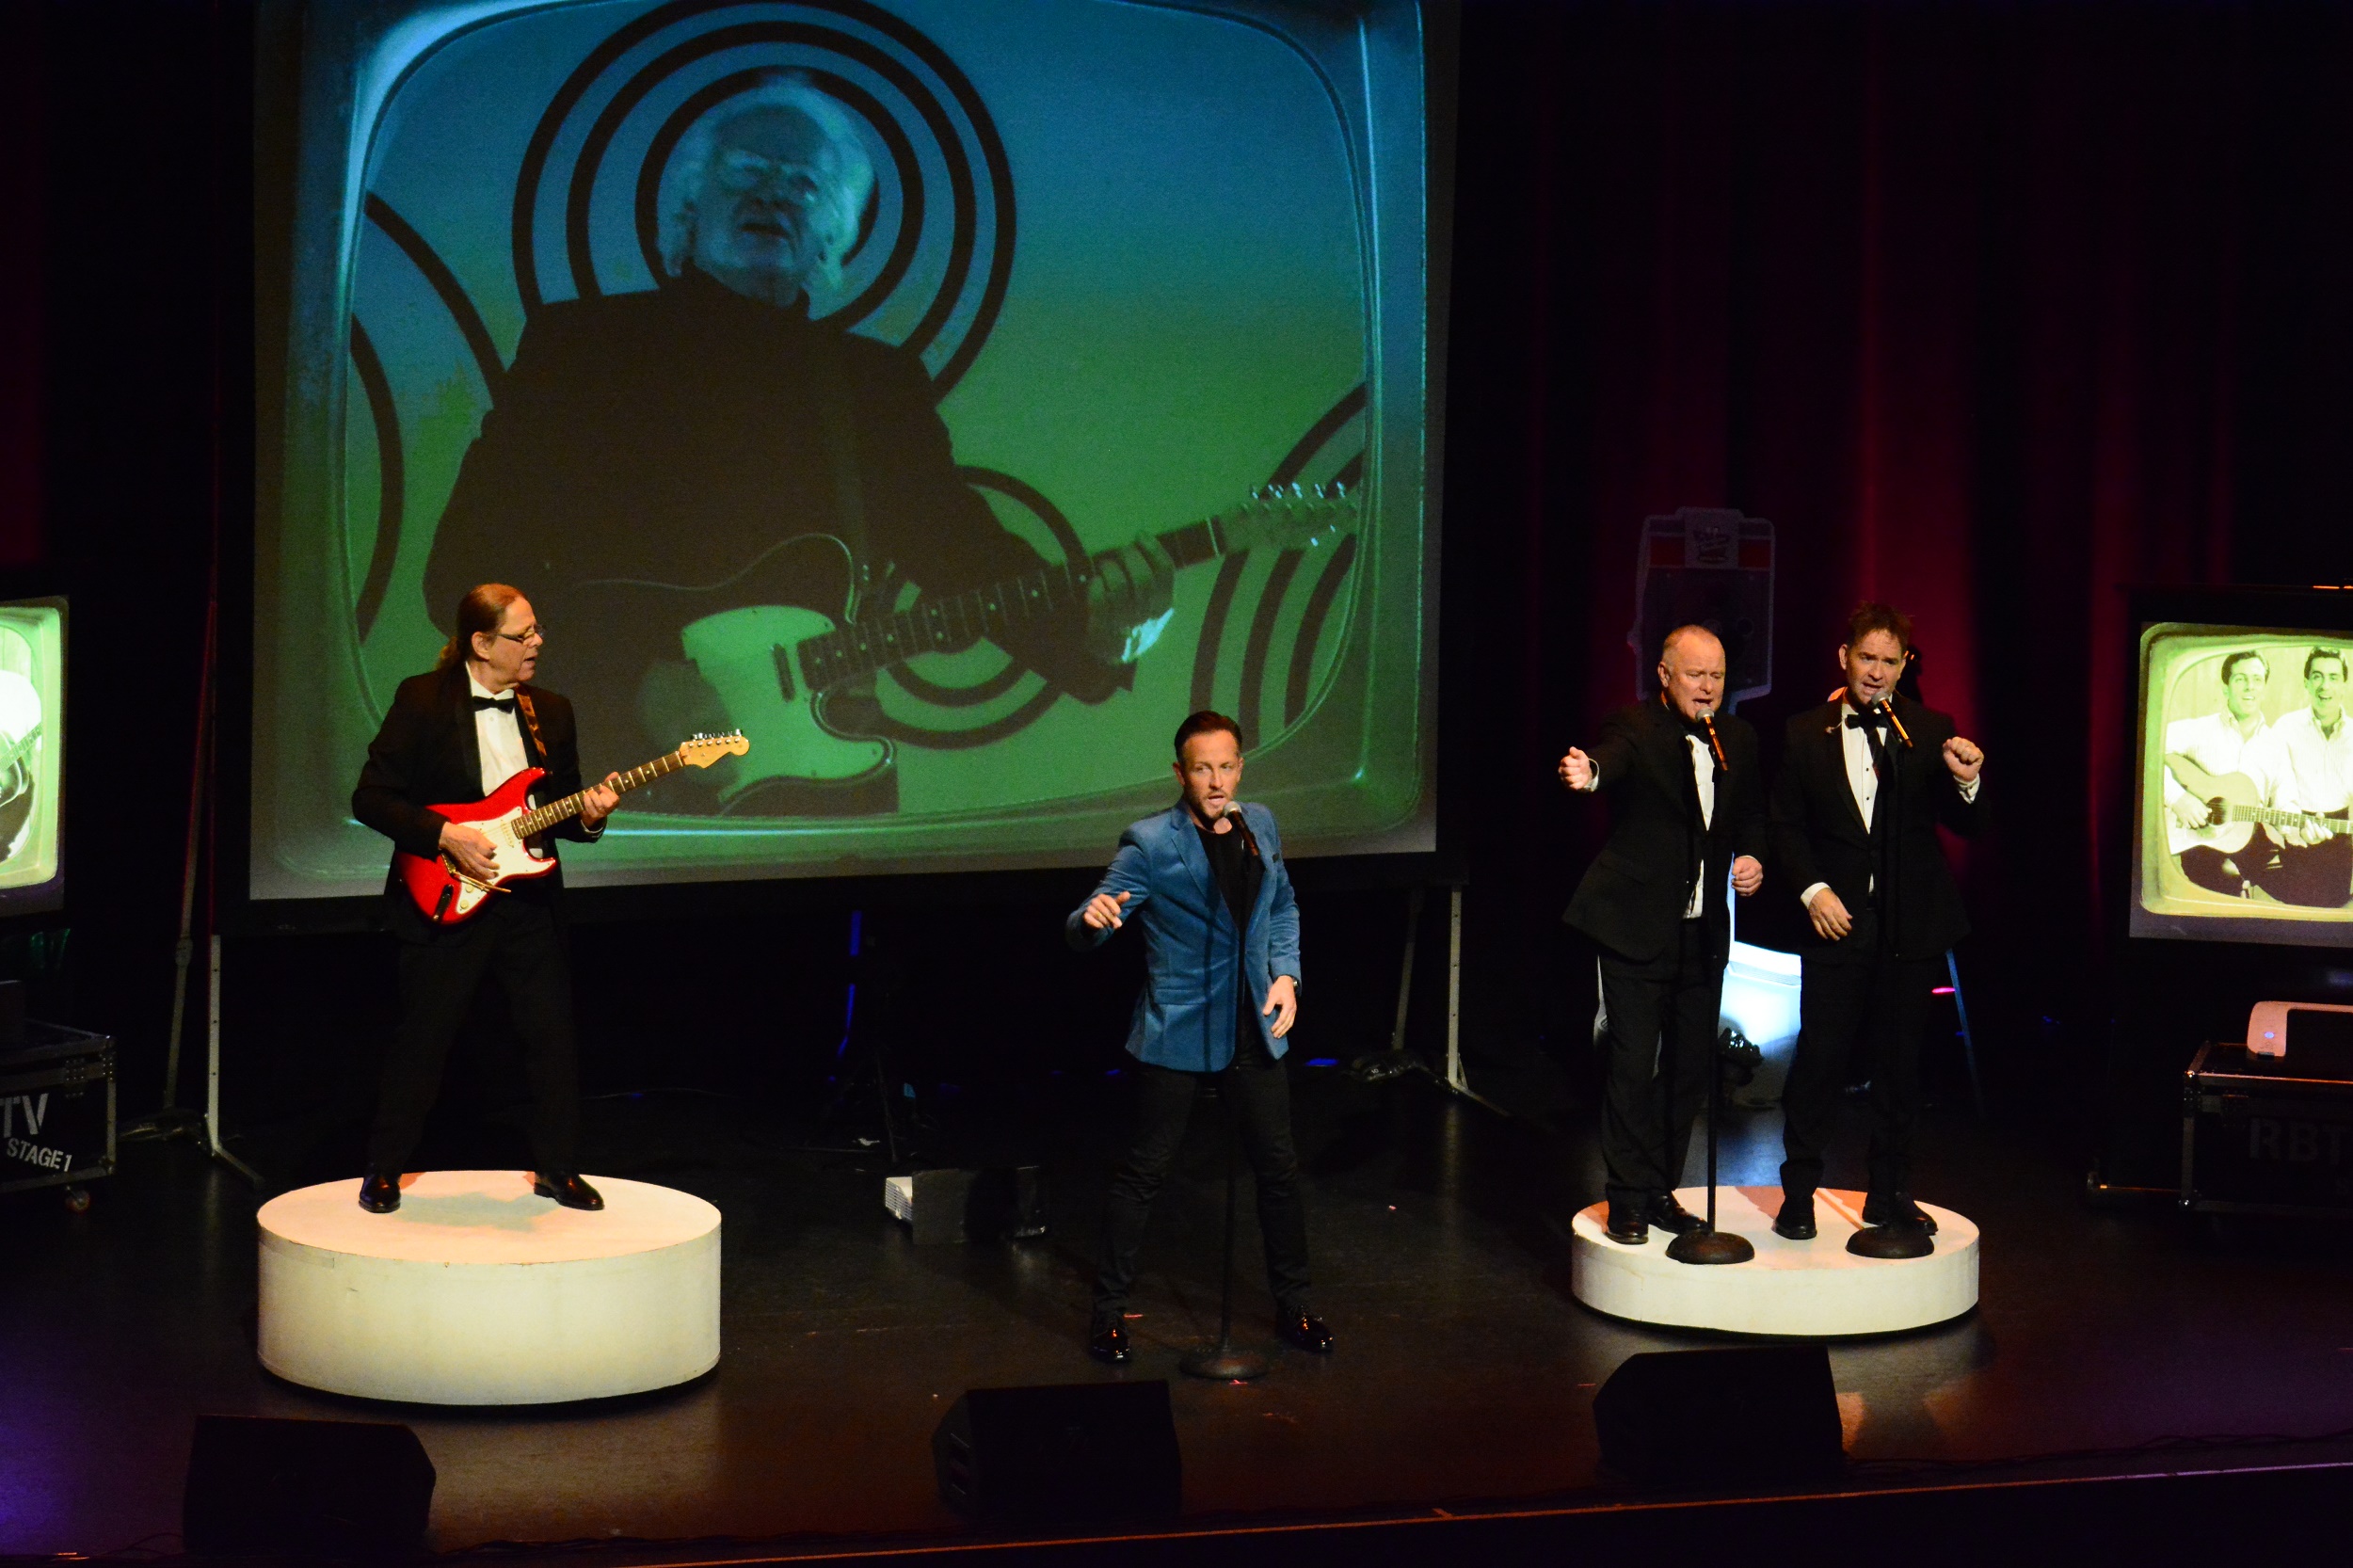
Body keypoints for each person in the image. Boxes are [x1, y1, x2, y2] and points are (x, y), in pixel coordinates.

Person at [424, 73, 1174, 815]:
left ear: (833, 234)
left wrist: (1098, 636)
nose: (773, 195)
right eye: (748, 170)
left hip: (816, 799)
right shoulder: (580, 349)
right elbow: (464, 571)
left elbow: (965, 558)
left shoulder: (873, 386)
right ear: (689, 205)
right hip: (599, 785)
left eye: (805, 185)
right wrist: (635, 681)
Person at [1065, 711, 1328, 1364]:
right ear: (1180, 773)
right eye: (1202, 769)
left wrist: (1286, 975)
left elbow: (1283, 905)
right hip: (1178, 1028)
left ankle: (1294, 1306)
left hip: (1254, 1024)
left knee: (1279, 1171)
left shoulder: (1259, 825)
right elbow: (1091, 918)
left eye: (1226, 766)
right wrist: (1092, 920)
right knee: (1144, 1174)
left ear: (1240, 767)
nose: (1216, 781)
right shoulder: (1151, 842)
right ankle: (1108, 1315)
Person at [349, 584, 620, 1214]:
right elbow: (371, 798)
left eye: (537, 630)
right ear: (481, 642)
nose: (537, 643)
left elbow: (565, 813)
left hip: (529, 903)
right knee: (424, 1037)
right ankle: (384, 1168)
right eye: (523, 635)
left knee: (551, 1037)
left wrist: (592, 815)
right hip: (447, 893)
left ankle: (558, 1168)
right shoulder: (422, 700)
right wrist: (445, 835)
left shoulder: (552, 711)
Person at [1769, 602, 1987, 1246]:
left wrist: (1968, 782)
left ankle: (1890, 1194)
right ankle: (1798, 1194)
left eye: (1890, 661)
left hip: (1909, 926)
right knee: (1820, 1060)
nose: (1877, 672)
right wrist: (1813, 891)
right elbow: (1784, 826)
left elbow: (1968, 824)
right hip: (1835, 924)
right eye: (1867, 657)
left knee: (1900, 1066)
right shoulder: (1803, 732)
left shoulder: (1928, 730)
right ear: (1845, 657)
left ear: (1903, 666)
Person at [1558, 626, 1768, 1244]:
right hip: (1634, 926)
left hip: (1701, 935)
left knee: (1689, 1068)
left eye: (1717, 676)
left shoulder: (1736, 739)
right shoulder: (1636, 726)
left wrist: (1752, 857)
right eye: (1696, 675)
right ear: (1665, 675)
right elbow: (1611, 759)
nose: (1708, 687)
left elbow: (1751, 814)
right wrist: (1590, 773)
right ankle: (1625, 1196)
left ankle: (1659, 1189)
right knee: (1632, 1063)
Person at [2240, 647, 2353, 907]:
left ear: (2344, 684)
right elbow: (2273, 783)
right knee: (2303, 907)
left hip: (2342, 837)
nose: (2325, 686)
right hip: (2296, 829)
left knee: (2334, 906)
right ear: (2306, 682)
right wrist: (2295, 830)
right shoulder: (2286, 727)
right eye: (2317, 676)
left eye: (2333, 677)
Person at [2162, 650, 2269, 896]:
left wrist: (2298, 827)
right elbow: (2144, 747)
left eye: (2257, 679)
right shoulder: (2198, 730)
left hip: (2249, 840)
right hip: (2199, 842)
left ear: (2264, 688)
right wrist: (2177, 798)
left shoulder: (2276, 744)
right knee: (2222, 875)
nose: (2249, 687)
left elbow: (2286, 799)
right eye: (2240, 679)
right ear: (2226, 688)